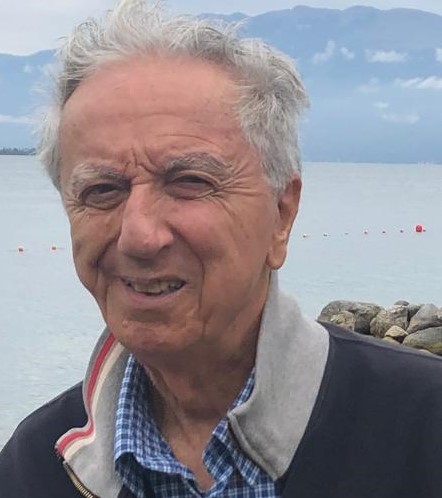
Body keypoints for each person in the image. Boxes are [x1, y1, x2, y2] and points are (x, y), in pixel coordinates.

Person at [1, 1, 442, 497]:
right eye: (102, 190)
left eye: (189, 182)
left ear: (281, 215)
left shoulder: (424, 430)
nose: (140, 235)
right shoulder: (31, 468)